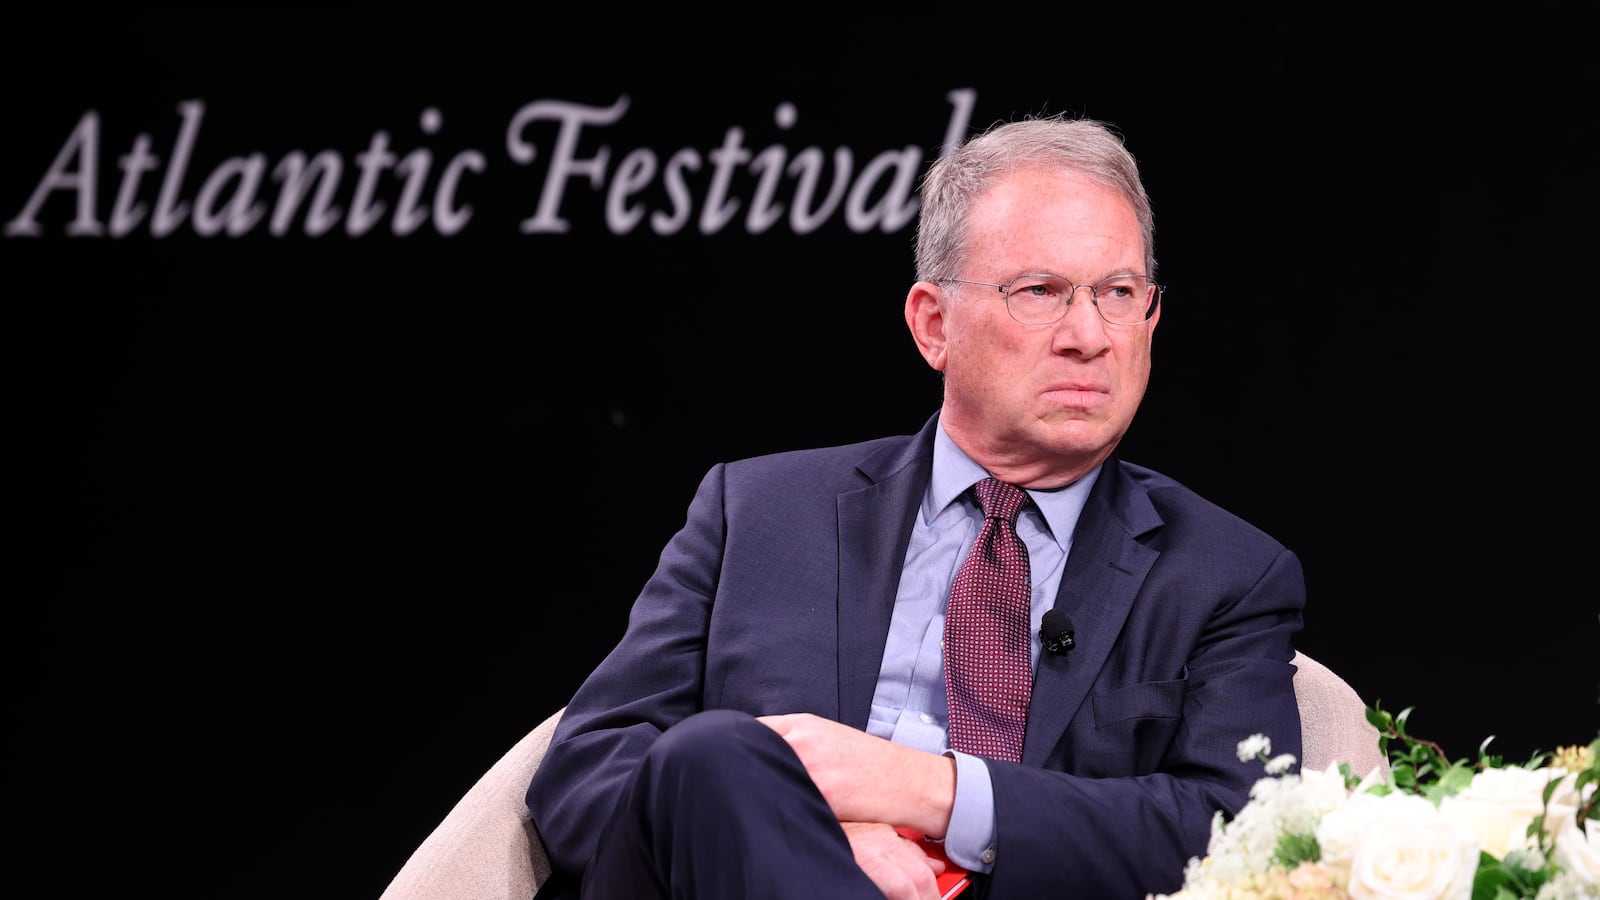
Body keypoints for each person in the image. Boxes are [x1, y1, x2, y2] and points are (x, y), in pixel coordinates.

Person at [524, 113, 1306, 900]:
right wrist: (800, 833)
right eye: (1041, 291)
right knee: (712, 757)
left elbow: (1237, 827)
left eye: (1118, 293)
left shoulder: (1226, 575)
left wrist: (930, 790)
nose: (1088, 335)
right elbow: (590, 765)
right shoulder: (756, 512)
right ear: (934, 325)